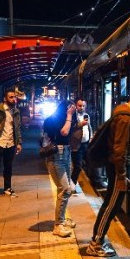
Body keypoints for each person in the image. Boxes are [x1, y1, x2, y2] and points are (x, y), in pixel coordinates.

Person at [87, 85, 130, 257]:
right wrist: (121, 176)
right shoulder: (125, 118)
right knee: (111, 206)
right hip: (120, 167)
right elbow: (119, 150)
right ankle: (95, 243)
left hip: (129, 165)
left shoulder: (129, 113)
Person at [43, 100, 77, 237]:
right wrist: (69, 115)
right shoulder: (55, 120)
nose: (72, 110)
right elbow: (64, 132)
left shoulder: (67, 118)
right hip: (57, 155)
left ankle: (61, 219)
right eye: (70, 108)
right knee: (65, 190)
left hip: (66, 153)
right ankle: (58, 225)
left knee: (67, 189)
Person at [70, 98, 92, 194]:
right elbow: (71, 127)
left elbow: (89, 127)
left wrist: (91, 137)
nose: (82, 107)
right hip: (77, 145)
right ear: (75, 105)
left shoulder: (86, 115)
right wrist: (80, 124)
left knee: (90, 162)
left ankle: (95, 181)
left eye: (83, 106)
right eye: (80, 105)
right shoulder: (72, 115)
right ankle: (72, 185)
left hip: (86, 144)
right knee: (78, 166)